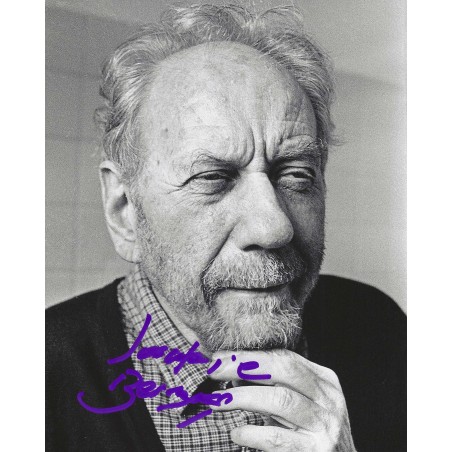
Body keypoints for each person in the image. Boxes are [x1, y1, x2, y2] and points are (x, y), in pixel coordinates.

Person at [46, 4, 406, 451]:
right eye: (212, 178)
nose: (273, 228)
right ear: (124, 210)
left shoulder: (379, 326)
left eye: (297, 175)